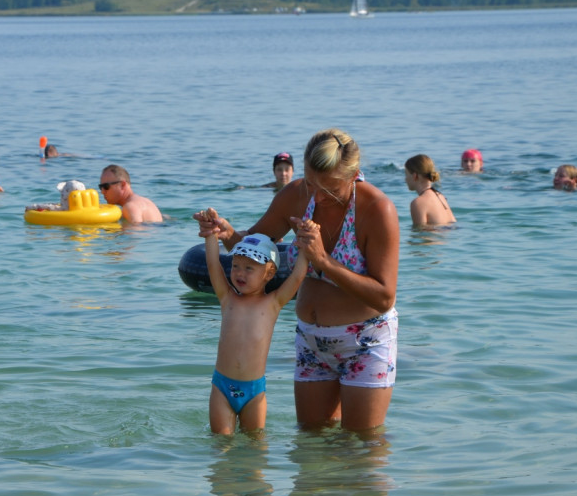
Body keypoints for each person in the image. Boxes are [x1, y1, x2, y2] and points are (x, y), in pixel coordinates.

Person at [194, 128, 399, 432]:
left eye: (328, 189)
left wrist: (322, 261)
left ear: (353, 174)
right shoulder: (296, 194)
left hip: (364, 343)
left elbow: (384, 296)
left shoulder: (376, 209)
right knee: (310, 452)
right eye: (310, 182)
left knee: (360, 452)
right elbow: (253, 250)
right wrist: (226, 233)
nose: (315, 196)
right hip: (311, 342)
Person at [204, 228, 309, 434]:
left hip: (254, 392)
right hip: (222, 388)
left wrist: (305, 247)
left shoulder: (273, 302)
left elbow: (297, 277)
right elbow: (212, 265)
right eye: (235, 266)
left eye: (249, 268)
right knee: (221, 446)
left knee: (255, 450)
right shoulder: (227, 298)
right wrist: (210, 234)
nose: (239, 273)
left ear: (269, 273)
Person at [99, 164, 163, 223]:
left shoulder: (129, 207)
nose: (102, 192)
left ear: (122, 185)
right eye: (101, 187)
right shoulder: (147, 201)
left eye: (106, 187)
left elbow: (136, 232)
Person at [404, 155, 456, 227]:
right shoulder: (441, 197)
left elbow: (419, 233)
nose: (405, 179)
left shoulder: (418, 203)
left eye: (406, 174)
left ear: (414, 176)